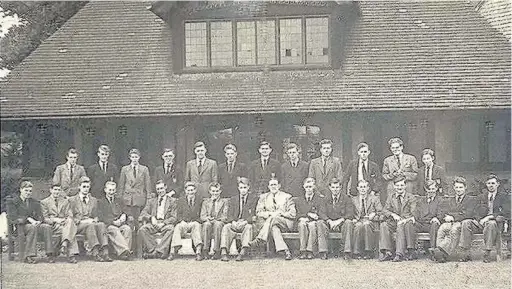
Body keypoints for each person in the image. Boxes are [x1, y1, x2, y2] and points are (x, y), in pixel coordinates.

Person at [433, 177, 480, 263]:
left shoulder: (471, 199)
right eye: (457, 187)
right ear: (454, 188)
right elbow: (446, 211)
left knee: (454, 229)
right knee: (442, 228)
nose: (458, 190)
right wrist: (449, 217)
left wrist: (453, 216)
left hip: (464, 223)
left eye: (461, 187)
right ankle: (439, 251)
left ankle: (443, 252)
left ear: (465, 187)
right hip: (451, 222)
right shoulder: (450, 200)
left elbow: (467, 214)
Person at [249, 178, 296, 260]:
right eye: (271, 185)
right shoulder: (263, 197)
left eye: (275, 184)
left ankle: (260, 238)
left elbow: (292, 214)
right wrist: (269, 214)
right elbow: (258, 212)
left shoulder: (287, 197)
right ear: (268, 186)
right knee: (274, 228)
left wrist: (281, 214)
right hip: (272, 224)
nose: (273, 187)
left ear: (279, 186)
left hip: (285, 222)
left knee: (273, 219)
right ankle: (286, 251)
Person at [8, 181, 54, 264]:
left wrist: (39, 221)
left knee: (46, 227)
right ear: (21, 190)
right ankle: (30, 255)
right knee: (31, 227)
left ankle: (49, 253)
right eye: (26, 190)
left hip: (34, 225)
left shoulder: (34, 202)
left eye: (30, 191)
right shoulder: (13, 202)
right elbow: (13, 217)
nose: (28, 193)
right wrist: (28, 219)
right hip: (20, 227)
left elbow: (40, 215)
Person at [68, 176, 111, 262]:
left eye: (88, 187)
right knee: (90, 225)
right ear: (79, 187)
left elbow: (96, 215)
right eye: (84, 187)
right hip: (78, 225)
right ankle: (95, 252)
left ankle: (105, 252)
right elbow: (70, 216)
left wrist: (95, 219)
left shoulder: (93, 200)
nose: (86, 189)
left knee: (101, 225)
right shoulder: (72, 200)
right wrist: (83, 221)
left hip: (90, 224)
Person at [379, 175, 417, 262]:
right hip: (394, 221)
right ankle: (387, 252)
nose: (399, 187)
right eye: (397, 185)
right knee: (384, 225)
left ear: (405, 186)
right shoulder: (391, 197)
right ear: (394, 186)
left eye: (402, 185)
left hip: (407, 222)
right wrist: (392, 214)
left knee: (400, 226)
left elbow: (413, 213)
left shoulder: (411, 197)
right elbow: (384, 210)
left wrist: (404, 220)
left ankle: (399, 254)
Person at [138, 180, 178, 260]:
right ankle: (155, 250)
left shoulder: (172, 201)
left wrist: (164, 223)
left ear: (165, 188)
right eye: (158, 189)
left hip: (165, 224)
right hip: (154, 223)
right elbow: (143, 214)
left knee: (171, 229)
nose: (160, 191)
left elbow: (174, 217)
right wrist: (151, 218)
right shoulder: (152, 201)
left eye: (161, 188)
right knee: (143, 229)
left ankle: (158, 251)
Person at [220, 177, 258, 262]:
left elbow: (254, 214)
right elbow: (229, 214)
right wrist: (233, 221)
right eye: (241, 188)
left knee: (249, 227)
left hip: (245, 223)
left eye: (245, 188)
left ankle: (243, 252)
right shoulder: (233, 199)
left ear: (248, 187)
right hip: (235, 222)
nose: (243, 190)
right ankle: (224, 251)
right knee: (226, 227)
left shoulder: (253, 199)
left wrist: (245, 221)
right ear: (238, 188)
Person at [40, 183, 79, 263]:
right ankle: (70, 254)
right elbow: (45, 218)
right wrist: (56, 220)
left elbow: (70, 214)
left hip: (64, 224)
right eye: (55, 189)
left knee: (70, 223)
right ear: (51, 190)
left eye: (59, 190)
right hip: (53, 225)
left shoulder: (65, 201)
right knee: (71, 230)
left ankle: (65, 244)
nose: (57, 192)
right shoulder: (44, 202)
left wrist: (64, 220)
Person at [477, 174, 510, 263]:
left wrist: (491, 217)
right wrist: (479, 218)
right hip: (482, 221)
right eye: (488, 183)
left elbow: (506, 211)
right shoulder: (481, 196)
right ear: (486, 184)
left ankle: (487, 251)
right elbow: (476, 210)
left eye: (493, 183)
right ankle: (465, 252)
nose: (491, 185)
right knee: (467, 223)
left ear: (497, 184)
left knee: (491, 224)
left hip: (496, 222)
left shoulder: (503, 196)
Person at [118, 148, 152, 233]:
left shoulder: (144, 169)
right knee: (129, 222)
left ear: (139, 157)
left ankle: (138, 245)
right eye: (132, 157)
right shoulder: (124, 169)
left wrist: (148, 199)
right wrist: (120, 198)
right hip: (128, 200)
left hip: (139, 199)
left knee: (139, 223)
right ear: (130, 158)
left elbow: (148, 185)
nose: (134, 159)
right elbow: (121, 185)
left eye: (136, 157)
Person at [169, 182, 204, 261]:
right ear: (185, 191)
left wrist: (195, 221)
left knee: (197, 226)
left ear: (195, 190)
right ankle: (173, 251)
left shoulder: (200, 200)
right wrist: (181, 221)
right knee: (178, 227)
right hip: (184, 223)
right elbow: (178, 214)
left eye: (192, 190)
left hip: (195, 223)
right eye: (188, 190)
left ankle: (198, 252)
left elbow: (202, 214)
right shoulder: (181, 200)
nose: (190, 192)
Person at [98, 181, 132, 260]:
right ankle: (126, 251)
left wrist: (124, 215)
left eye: (113, 190)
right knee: (114, 230)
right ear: (105, 190)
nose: (111, 192)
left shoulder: (119, 200)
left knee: (127, 229)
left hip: (120, 223)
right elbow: (100, 217)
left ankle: (123, 254)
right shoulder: (100, 202)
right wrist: (113, 222)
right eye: (109, 190)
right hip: (108, 225)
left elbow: (126, 210)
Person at [295, 178, 328, 259]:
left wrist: (314, 216)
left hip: (314, 221)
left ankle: (310, 250)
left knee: (312, 225)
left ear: (314, 187)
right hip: (302, 220)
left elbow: (322, 212)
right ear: (303, 187)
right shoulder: (299, 200)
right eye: (307, 187)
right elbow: (296, 214)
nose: (309, 189)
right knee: (302, 225)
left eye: (310, 186)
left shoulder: (319, 199)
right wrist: (306, 215)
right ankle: (303, 251)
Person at [352, 179, 383, 259]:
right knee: (358, 226)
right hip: (358, 221)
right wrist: (353, 219)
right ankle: (356, 252)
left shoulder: (374, 198)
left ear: (368, 188)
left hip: (371, 222)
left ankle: (368, 251)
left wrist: (374, 215)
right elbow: (350, 212)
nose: (363, 189)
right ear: (357, 188)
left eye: (364, 187)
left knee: (366, 225)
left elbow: (381, 213)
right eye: (361, 187)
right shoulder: (353, 200)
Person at [325, 178, 355, 259]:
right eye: (333, 187)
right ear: (330, 188)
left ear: (341, 187)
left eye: (337, 187)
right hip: (329, 223)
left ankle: (347, 251)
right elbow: (321, 212)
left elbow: (350, 213)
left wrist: (340, 220)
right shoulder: (325, 198)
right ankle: (323, 251)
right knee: (320, 223)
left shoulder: (346, 198)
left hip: (342, 223)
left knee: (348, 222)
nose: (335, 190)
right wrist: (329, 221)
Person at [382, 138, 418, 204]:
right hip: (393, 186)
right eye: (393, 148)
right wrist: (392, 175)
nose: (395, 150)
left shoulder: (411, 158)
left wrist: (404, 174)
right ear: (390, 148)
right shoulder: (387, 160)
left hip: (407, 185)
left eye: (397, 147)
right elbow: (384, 175)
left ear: (401, 147)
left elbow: (416, 174)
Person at [414, 180, 444, 258]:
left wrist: (437, 218)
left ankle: (433, 250)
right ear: (426, 189)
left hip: (431, 224)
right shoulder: (420, 201)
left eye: (433, 189)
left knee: (435, 224)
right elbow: (417, 214)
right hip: (421, 224)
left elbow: (441, 213)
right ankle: (411, 250)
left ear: (436, 189)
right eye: (429, 189)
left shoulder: (440, 200)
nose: (431, 191)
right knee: (409, 225)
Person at [200, 182, 229, 260]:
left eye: (217, 191)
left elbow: (225, 215)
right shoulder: (206, 202)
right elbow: (202, 216)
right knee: (206, 225)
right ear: (209, 191)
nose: (215, 193)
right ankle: (205, 250)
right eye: (213, 191)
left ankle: (217, 251)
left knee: (218, 225)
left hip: (219, 221)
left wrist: (217, 219)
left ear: (220, 191)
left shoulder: (224, 202)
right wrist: (208, 218)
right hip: (209, 221)